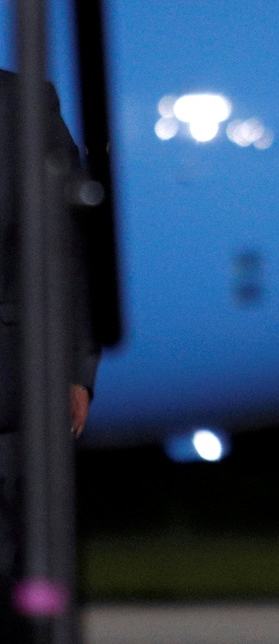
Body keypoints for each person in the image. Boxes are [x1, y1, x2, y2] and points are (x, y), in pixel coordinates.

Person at [0, 70, 96, 640]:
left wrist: (75, 369)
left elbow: (68, 245)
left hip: (10, 387)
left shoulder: (23, 104)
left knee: (16, 568)